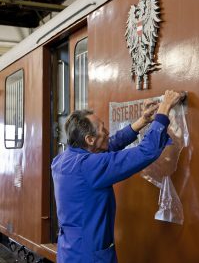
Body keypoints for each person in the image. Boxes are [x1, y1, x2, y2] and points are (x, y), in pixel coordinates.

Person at [51, 90, 182, 263]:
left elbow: (110, 144)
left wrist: (143, 121)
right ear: (90, 139)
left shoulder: (62, 160)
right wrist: (164, 108)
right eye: (102, 129)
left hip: (69, 250)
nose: (107, 131)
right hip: (90, 256)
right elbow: (146, 151)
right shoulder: (89, 166)